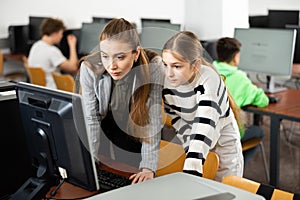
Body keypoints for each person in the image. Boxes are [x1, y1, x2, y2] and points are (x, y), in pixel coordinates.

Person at [78, 18, 164, 184]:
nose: (111, 66)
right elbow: (91, 118)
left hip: (135, 125)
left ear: (136, 53)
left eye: (120, 57)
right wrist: (90, 161)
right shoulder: (89, 68)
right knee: (103, 171)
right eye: (105, 56)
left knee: (131, 174)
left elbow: (152, 119)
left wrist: (148, 167)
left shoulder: (154, 66)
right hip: (104, 124)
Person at [162, 31, 244, 182]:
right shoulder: (167, 82)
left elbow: (205, 123)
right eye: (165, 64)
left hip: (223, 144)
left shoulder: (209, 79)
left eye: (177, 66)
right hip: (195, 140)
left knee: (226, 190)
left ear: (196, 65)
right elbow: (176, 118)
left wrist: (192, 165)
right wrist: (190, 148)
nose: (169, 73)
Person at [213, 37, 269, 164]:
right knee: (258, 132)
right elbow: (263, 101)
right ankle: (235, 166)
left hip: (208, 131)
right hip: (228, 134)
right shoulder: (240, 78)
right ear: (236, 56)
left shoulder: (209, 70)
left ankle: (224, 163)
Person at [28, 17, 78, 89]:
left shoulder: (36, 46)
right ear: (54, 33)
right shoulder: (51, 51)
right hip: (53, 90)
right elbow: (73, 67)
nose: (62, 36)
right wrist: (72, 45)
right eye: (61, 33)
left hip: (39, 89)